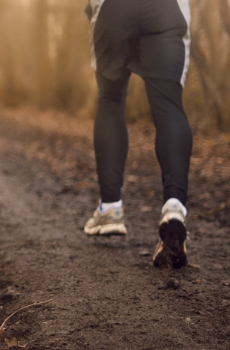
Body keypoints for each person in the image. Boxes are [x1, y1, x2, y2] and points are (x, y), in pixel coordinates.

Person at [82, 0, 193, 269]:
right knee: (169, 105)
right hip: (166, 9)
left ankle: (110, 208)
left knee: (110, 99)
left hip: (114, 8)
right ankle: (174, 206)